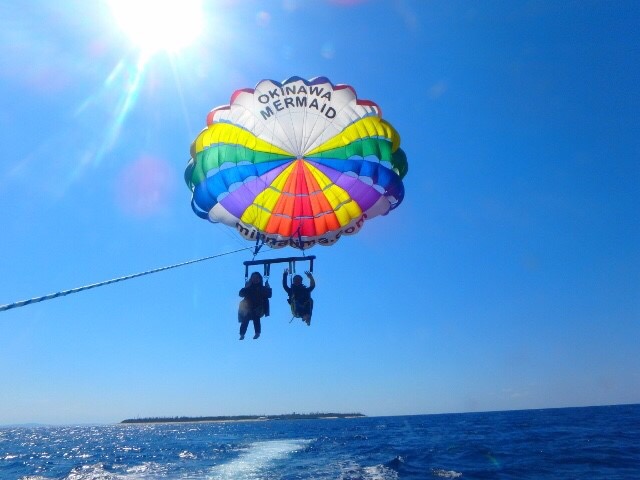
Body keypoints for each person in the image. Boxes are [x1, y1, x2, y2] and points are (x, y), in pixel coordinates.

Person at [238, 272, 272, 340]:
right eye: (253, 278)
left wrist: (268, 288)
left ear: (260, 279)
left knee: (255, 315)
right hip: (248, 308)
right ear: (251, 279)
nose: (255, 279)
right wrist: (246, 287)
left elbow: (269, 295)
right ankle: (242, 334)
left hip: (258, 308)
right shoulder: (248, 288)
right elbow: (241, 294)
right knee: (246, 317)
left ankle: (257, 332)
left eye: (257, 278)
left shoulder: (262, 288)